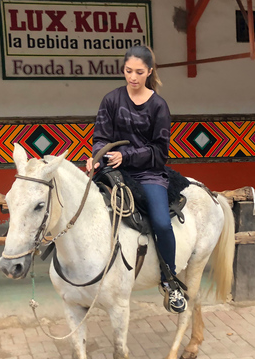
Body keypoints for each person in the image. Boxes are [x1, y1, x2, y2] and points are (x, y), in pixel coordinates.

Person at [85, 45, 186, 313]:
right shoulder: (111, 99)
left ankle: (170, 281)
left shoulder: (158, 106)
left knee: (163, 224)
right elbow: (101, 138)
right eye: (128, 71)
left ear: (149, 72)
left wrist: (126, 157)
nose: (132, 77)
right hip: (113, 170)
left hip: (148, 172)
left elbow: (160, 151)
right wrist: (97, 156)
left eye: (139, 72)